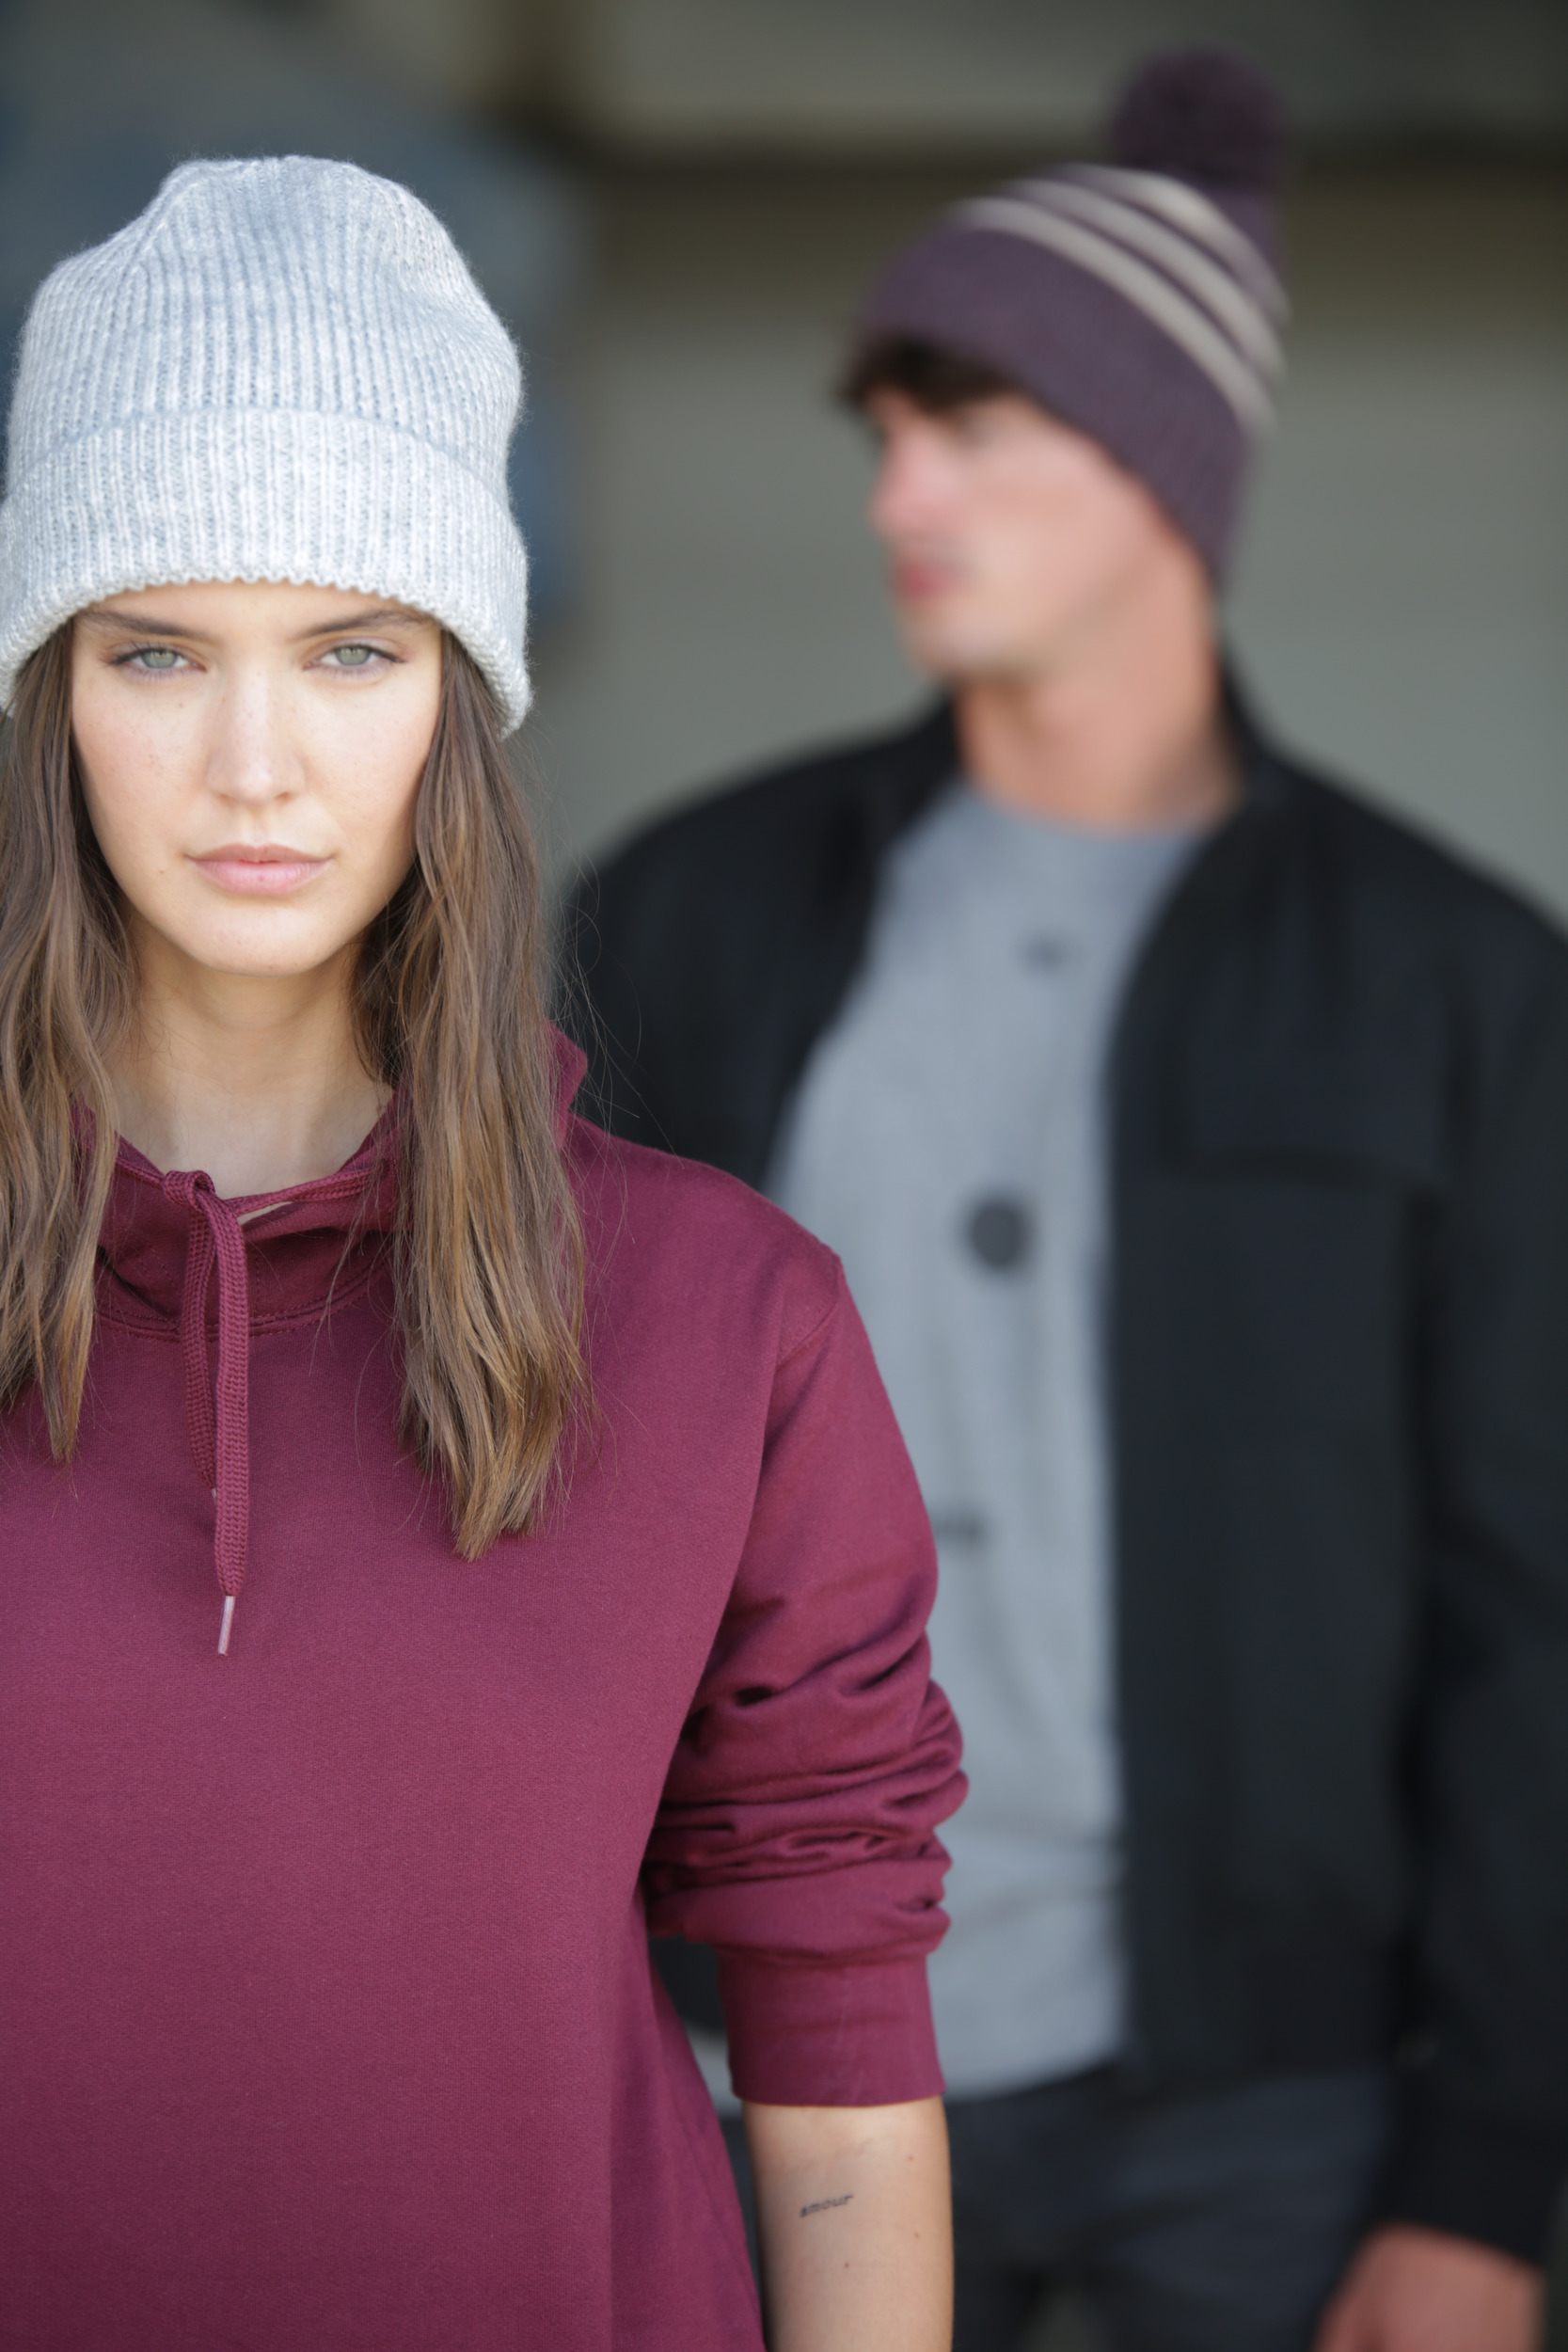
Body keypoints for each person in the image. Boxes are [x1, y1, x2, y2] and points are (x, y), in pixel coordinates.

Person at [563, 47, 1568, 2352]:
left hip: (1267, 2100)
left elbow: (1542, 1616)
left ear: (1171, 468)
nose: (904, 485)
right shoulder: (691, 912)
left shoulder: (1462, 988)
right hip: (762, 2054)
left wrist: (1488, 2173)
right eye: (888, 430)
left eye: (982, 423)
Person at [0, 157, 964, 2352]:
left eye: (350, 647)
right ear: (55, 688)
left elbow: (832, 2059)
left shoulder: (732, 1323)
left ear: (459, 687)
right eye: (160, 648)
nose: (256, 763)